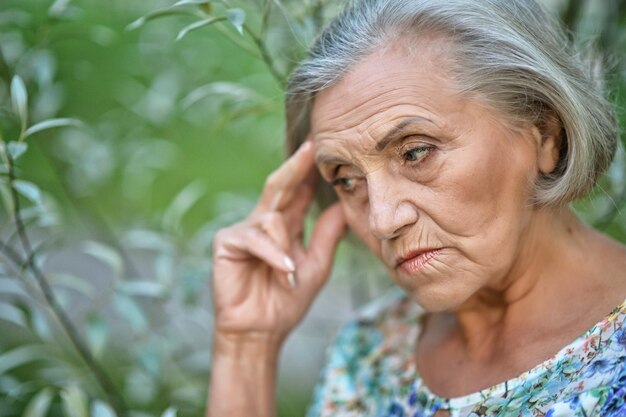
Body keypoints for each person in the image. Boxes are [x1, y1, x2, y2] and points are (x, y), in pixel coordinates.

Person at [207, 0, 626, 416]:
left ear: (545, 134)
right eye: (347, 180)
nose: (382, 220)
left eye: (415, 153)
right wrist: (246, 346)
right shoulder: (372, 355)